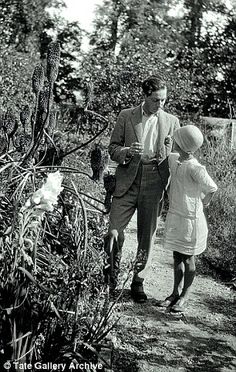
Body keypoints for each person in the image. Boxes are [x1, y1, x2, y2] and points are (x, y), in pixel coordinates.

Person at [104, 75, 180, 302]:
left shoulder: (172, 121)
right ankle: (110, 277)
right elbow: (112, 148)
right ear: (145, 96)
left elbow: (177, 155)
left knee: (147, 236)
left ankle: (138, 281)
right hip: (127, 178)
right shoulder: (126, 116)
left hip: (155, 180)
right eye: (156, 100)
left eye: (164, 100)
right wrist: (127, 152)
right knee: (113, 232)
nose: (161, 104)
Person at [161, 125, 218, 313]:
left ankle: (185, 294)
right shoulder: (176, 159)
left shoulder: (195, 168)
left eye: (177, 139)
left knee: (188, 259)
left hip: (191, 220)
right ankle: (175, 292)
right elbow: (169, 155)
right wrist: (168, 143)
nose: (174, 141)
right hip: (177, 216)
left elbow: (211, 188)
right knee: (177, 255)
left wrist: (203, 204)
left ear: (184, 145)